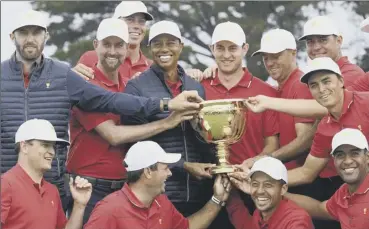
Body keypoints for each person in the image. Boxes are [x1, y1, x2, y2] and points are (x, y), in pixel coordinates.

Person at [0, 9, 203, 211]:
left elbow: (113, 101)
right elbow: (113, 134)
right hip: (64, 185)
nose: (30, 39)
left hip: (60, 184)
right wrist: (168, 116)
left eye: (36, 32)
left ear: (46, 35)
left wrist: (170, 99)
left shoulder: (68, 76)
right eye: (23, 32)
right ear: (12, 36)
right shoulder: (81, 78)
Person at [66, 18, 197, 224]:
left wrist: (193, 74)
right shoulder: (86, 86)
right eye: (106, 44)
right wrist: (167, 122)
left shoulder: (129, 86)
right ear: (95, 46)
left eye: (119, 45)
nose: (112, 51)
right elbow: (113, 135)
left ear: (128, 48)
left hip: (125, 188)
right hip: (89, 188)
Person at [238, 57, 369, 229]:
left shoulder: (365, 102)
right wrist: (260, 180)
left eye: (326, 81)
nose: (321, 89)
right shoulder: (324, 128)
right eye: (314, 85)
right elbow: (306, 173)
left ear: (341, 81)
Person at [122, 20, 216, 218]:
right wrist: (184, 166)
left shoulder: (195, 86)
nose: (164, 49)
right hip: (159, 192)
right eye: (157, 43)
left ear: (181, 46)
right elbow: (133, 145)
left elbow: (199, 139)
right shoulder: (136, 88)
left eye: (171, 42)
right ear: (149, 48)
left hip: (198, 191)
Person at [201, 22, 279, 224]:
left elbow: (272, 144)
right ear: (212, 49)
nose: (226, 55)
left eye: (233, 48)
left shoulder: (266, 93)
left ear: (244, 49)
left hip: (251, 187)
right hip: (207, 187)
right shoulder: (197, 87)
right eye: (220, 48)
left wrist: (252, 164)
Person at [85, 141, 231, 229]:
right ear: (148, 172)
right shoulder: (108, 209)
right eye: (165, 168)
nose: (169, 173)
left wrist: (217, 199)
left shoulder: (162, 202)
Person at [73, 1, 203, 82]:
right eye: (130, 19)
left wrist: (189, 74)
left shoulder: (153, 66)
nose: (137, 26)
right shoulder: (91, 58)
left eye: (141, 21)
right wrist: (70, 75)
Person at [1, 119, 92, 229]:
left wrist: (79, 205)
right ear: (24, 147)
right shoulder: (5, 185)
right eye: (45, 145)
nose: (52, 152)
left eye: (53, 146)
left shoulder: (52, 191)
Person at [249, 28, 315, 173]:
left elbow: (305, 140)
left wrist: (266, 160)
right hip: (284, 178)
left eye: (276, 56)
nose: (270, 63)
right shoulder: (277, 89)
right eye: (266, 58)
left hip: (300, 180)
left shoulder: (300, 84)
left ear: (293, 53)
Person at [284, 128, 369, 229]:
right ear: (334, 160)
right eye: (340, 155)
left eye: (354, 153)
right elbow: (320, 209)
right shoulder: (345, 192)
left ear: (367, 156)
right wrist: (279, 194)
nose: (347, 161)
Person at [227, 157, 314, 229]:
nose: (260, 191)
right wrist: (229, 192)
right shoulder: (260, 213)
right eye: (255, 184)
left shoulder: (296, 221)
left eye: (268, 185)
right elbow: (245, 225)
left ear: (283, 189)